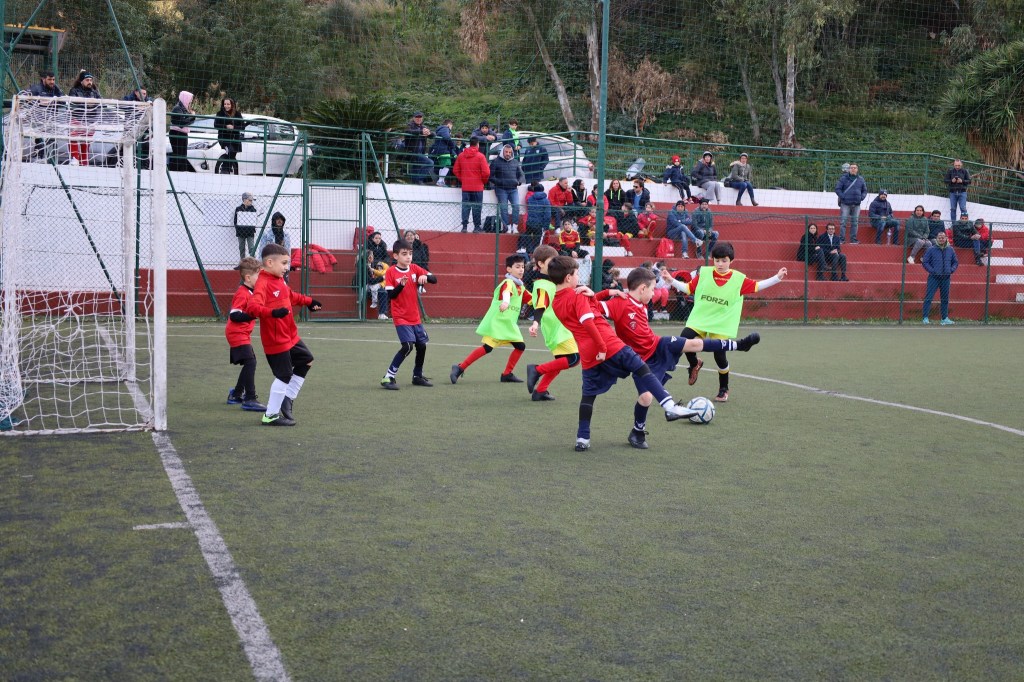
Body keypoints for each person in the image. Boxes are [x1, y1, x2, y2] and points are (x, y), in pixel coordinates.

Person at [547, 256, 699, 451]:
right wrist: (602, 347)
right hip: (608, 344)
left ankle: (582, 438)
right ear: (569, 277)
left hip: (587, 353)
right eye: (577, 274)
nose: (579, 277)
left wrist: (603, 293)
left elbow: (587, 309)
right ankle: (669, 406)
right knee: (641, 367)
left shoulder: (557, 302)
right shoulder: (578, 296)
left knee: (588, 394)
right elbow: (588, 321)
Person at [605, 267, 761, 448]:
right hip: (640, 361)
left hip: (659, 345)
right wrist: (606, 293)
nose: (655, 293)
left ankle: (739, 345)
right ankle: (637, 431)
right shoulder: (619, 303)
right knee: (646, 398)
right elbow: (594, 308)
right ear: (642, 289)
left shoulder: (641, 302)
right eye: (653, 289)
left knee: (691, 343)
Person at [662, 242, 787, 402]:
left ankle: (723, 389)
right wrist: (671, 280)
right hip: (701, 317)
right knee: (685, 341)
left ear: (731, 261)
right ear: (712, 260)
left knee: (719, 356)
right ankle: (694, 364)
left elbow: (757, 285)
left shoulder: (738, 279)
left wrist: (777, 278)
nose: (720, 264)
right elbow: (688, 288)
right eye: (717, 260)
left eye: (724, 260)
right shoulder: (705, 274)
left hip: (721, 322)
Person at [248, 243, 322, 426]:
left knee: (307, 360)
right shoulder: (263, 283)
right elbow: (252, 307)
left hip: (290, 335)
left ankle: (287, 398)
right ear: (270, 262)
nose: (287, 267)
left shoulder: (279, 279)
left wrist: (309, 301)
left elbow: (291, 296)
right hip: (276, 340)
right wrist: (272, 313)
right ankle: (270, 415)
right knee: (284, 375)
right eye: (284, 263)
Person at [451, 254, 532, 385]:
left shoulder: (521, 287)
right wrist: (505, 301)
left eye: (522, 267)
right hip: (499, 323)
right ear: (509, 269)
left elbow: (533, 300)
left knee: (520, 346)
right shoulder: (508, 283)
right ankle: (460, 367)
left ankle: (507, 374)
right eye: (517, 267)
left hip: (509, 325)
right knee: (487, 348)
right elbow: (506, 292)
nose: (521, 269)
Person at [525, 245, 581, 401]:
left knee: (560, 361)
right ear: (541, 264)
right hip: (557, 326)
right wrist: (535, 323)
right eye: (551, 262)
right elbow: (540, 305)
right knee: (573, 359)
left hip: (560, 324)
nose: (554, 265)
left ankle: (540, 391)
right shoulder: (542, 285)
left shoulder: (551, 282)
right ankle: (536, 369)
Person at [380, 239, 438, 389]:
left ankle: (417, 376)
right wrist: (401, 284)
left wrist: (426, 277)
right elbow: (391, 295)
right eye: (404, 254)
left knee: (422, 346)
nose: (408, 257)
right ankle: (388, 377)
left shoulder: (414, 268)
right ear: (395, 256)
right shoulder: (391, 272)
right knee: (407, 346)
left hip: (415, 317)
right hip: (401, 317)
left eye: (410, 254)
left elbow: (434, 279)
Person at [224, 257, 267, 412]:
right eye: (259, 276)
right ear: (248, 278)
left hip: (242, 333)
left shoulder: (252, 291)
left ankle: (236, 394)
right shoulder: (242, 293)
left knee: (251, 361)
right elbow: (234, 315)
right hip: (237, 333)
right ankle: (250, 398)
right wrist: (254, 314)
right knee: (251, 362)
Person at [452, 137, 490, 232]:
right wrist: (483, 182)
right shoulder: (480, 156)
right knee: (477, 207)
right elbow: (486, 173)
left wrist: (463, 179)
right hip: (477, 187)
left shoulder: (461, 155)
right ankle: (476, 227)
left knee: (466, 206)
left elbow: (455, 170)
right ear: (477, 144)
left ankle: (464, 227)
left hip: (466, 186)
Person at [922, 231, 958, 325]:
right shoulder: (931, 249)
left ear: (946, 238)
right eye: (939, 237)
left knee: (945, 299)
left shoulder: (951, 249)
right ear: (937, 238)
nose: (941, 239)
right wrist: (932, 271)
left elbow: (955, 262)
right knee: (929, 298)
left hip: (946, 277)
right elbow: (925, 262)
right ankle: (925, 318)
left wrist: (951, 270)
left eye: (943, 237)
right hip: (934, 277)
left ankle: (944, 318)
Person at [490, 144, 525, 233]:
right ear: (502, 151)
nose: (508, 154)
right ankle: (507, 227)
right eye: (506, 152)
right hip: (501, 189)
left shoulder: (515, 162)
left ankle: (515, 226)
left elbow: (521, 175)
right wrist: (501, 182)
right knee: (504, 208)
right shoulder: (496, 161)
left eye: (510, 152)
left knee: (516, 207)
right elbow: (491, 177)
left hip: (513, 189)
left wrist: (519, 182)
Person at [214, 97, 248, 175]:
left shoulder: (237, 114)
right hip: (224, 137)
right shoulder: (219, 113)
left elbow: (242, 126)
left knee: (233, 153)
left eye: (228, 104)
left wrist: (234, 127)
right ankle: (224, 170)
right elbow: (216, 125)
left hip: (235, 138)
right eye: (225, 104)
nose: (226, 106)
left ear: (232, 105)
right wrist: (225, 126)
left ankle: (227, 169)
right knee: (230, 150)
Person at [835, 162, 867, 243]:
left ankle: (853, 239)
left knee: (855, 223)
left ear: (857, 169)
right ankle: (841, 239)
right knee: (843, 222)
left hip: (856, 204)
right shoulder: (843, 178)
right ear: (849, 169)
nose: (853, 169)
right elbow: (837, 189)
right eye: (851, 167)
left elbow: (865, 190)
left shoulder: (861, 179)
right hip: (845, 204)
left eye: (855, 168)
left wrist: (861, 197)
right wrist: (843, 197)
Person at [258, 212, 292, 280]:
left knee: (283, 285)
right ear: (273, 221)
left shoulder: (286, 235)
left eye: (281, 219)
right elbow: (261, 250)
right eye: (277, 219)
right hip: (270, 263)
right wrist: (261, 265)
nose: (280, 221)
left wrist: (288, 266)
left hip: (281, 263)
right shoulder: (266, 234)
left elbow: (288, 251)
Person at [169, 90, 196, 172]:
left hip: (182, 133)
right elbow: (182, 123)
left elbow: (188, 121)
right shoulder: (177, 108)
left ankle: (181, 171)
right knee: (178, 154)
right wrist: (192, 116)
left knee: (183, 154)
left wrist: (191, 117)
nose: (191, 101)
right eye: (190, 99)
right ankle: (175, 171)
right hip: (177, 133)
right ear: (185, 98)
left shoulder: (184, 108)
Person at [524, 183, 552, 255]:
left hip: (530, 222)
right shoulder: (546, 201)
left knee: (528, 237)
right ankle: (535, 254)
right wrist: (546, 226)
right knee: (538, 240)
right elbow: (547, 215)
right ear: (543, 190)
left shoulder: (530, 199)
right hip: (540, 224)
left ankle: (529, 251)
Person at [431, 118, 457, 186]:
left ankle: (441, 181)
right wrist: (452, 144)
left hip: (440, 150)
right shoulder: (445, 129)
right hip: (444, 150)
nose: (451, 128)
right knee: (447, 165)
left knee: (442, 166)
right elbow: (447, 137)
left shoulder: (440, 129)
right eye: (451, 126)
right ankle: (440, 181)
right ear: (449, 124)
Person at [234, 192, 258, 261]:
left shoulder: (253, 209)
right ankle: (242, 263)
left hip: (250, 232)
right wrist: (238, 229)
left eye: (251, 200)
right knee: (241, 248)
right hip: (240, 232)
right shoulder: (238, 209)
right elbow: (235, 221)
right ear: (244, 200)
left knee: (251, 248)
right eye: (249, 200)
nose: (251, 202)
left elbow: (254, 221)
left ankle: (253, 262)